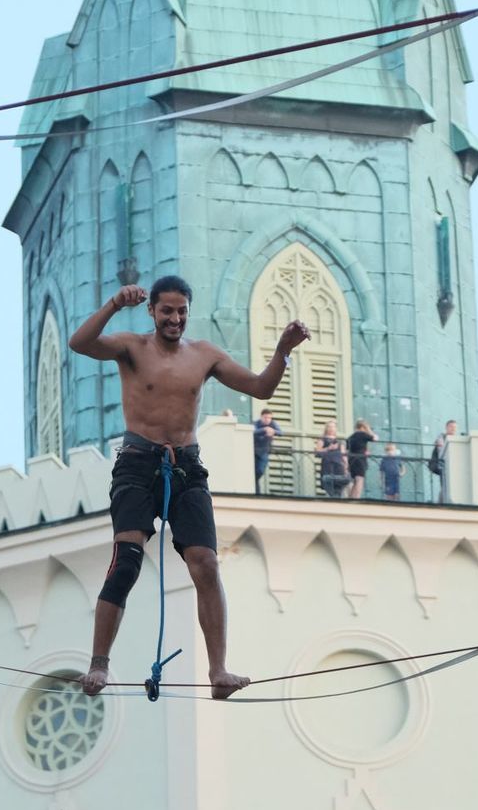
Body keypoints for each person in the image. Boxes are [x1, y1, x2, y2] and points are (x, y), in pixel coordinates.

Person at [69, 276, 308, 699]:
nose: (175, 319)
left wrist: (283, 353)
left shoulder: (204, 356)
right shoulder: (131, 348)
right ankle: (99, 665)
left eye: (181, 312)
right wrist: (112, 304)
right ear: (152, 312)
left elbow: (260, 387)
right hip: (137, 465)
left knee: (207, 564)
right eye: (167, 311)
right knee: (126, 560)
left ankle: (219, 672)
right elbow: (80, 343)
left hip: (187, 469)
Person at [315, 421, 349, 500]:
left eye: (333, 427)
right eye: (329, 426)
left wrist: (346, 467)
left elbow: (344, 456)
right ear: (326, 428)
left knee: (339, 488)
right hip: (328, 466)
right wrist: (328, 448)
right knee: (329, 486)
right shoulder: (322, 440)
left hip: (339, 466)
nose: (331, 428)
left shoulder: (339, 442)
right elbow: (317, 452)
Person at [345, 418, 377, 499]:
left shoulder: (350, 437)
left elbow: (348, 450)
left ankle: (351, 497)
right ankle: (357, 498)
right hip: (360, 459)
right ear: (362, 427)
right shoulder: (363, 434)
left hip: (351, 460)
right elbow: (375, 438)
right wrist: (369, 429)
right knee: (359, 479)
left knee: (354, 480)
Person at [429, 419, 458, 504]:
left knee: (449, 486)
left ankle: (444, 502)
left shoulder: (456, 439)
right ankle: (442, 503)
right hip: (443, 466)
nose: (453, 429)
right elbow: (441, 450)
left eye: (455, 427)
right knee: (445, 486)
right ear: (447, 427)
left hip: (452, 467)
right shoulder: (442, 438)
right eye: (451, 427)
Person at [253, 408, 281, 492]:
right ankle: (256, 492)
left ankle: (255, 488)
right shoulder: (256, 423)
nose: (267, 420)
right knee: (253, 473)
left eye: (269, 418)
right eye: (265, 417)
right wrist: (264, 430)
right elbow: (253, 431)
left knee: (260, 471)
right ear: (261, 417)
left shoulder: (273, 424)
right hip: (253, 452)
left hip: (264, 451)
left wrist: (273, 431)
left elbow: (281, 433)